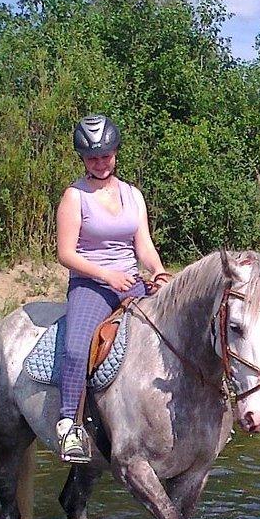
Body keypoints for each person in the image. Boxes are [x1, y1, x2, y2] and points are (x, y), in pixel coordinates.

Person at [55, 114, 169, 463]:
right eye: (92, 158)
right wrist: (106, 275)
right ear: (83, 159)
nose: (100, 163)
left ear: (115, 153)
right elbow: (65, 254)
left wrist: (159, 271)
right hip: (91, 284)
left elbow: (143, 244)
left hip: (131, 282)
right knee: (76, 347)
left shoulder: (133, 195)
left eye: (105, 156)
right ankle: (68, 426)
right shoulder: (75, 197)